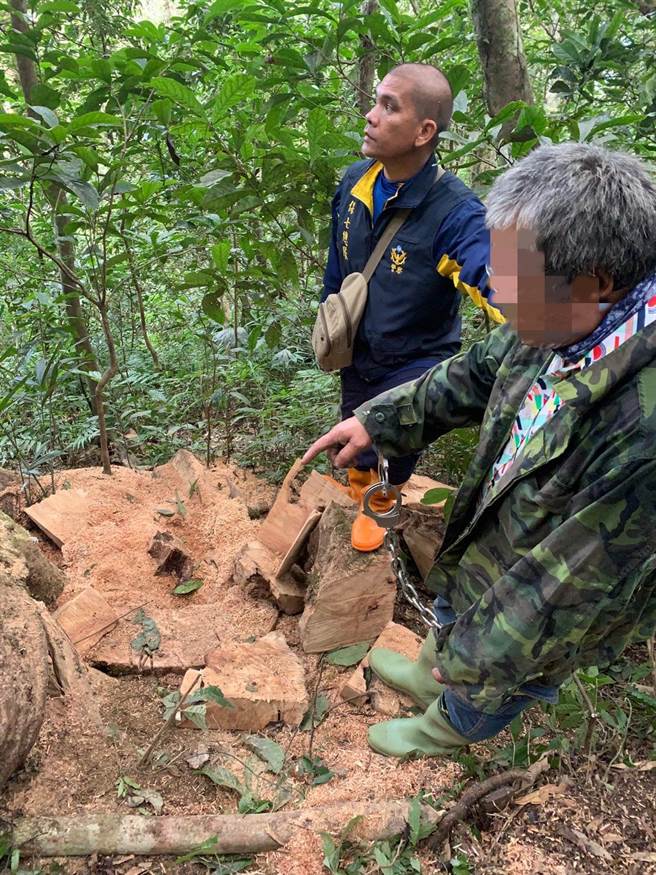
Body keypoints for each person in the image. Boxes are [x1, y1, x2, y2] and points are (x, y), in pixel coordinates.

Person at [304, 142, 656, 758]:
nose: (501, 292)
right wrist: (379, 421)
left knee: (490, 676)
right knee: (462, 593)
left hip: (552, 585)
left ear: (595, 282)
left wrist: (475, 659)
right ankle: (430, 671)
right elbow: (473, 374)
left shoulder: (643, 425)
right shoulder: (556, 318)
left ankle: (446, 728)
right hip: (505, 520)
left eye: (516, 278)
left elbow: (569, 586)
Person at [322, 62, 503, 552]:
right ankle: (365, 489)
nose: (370, 115)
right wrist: (330, 320)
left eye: (388, 106)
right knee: (355, 432)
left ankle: (383, 500)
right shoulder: (356, 182)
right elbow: (338, 260)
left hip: (416, 357)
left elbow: (502, 274)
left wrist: (552, 307)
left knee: (391, 438)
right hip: (359, 346)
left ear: (425, 131)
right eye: (375, 101)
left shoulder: (456, 213)